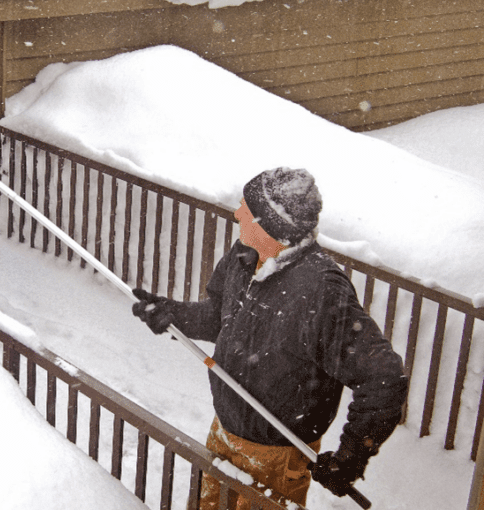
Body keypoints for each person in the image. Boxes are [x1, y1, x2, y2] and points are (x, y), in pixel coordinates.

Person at [131, 167, 408, 509]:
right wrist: (173, 314)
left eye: (246, 210)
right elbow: (220, 317)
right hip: (225, 429)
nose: (237, 214)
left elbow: (384, 378)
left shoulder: (320, 291)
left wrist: (350, 457)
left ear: (271, 225)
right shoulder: (244, 255)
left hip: (278, 457)